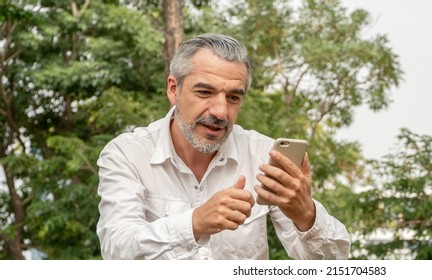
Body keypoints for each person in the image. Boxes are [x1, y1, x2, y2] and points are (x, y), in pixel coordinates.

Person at [96, 33, 351, 260]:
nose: (220, 111)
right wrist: (194, 223)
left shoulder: (263, 155)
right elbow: (116, 249)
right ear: (174, 89)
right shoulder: (127, 154)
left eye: (233, 97)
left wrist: (306, 216)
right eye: (205, 92)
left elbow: (332, 263)